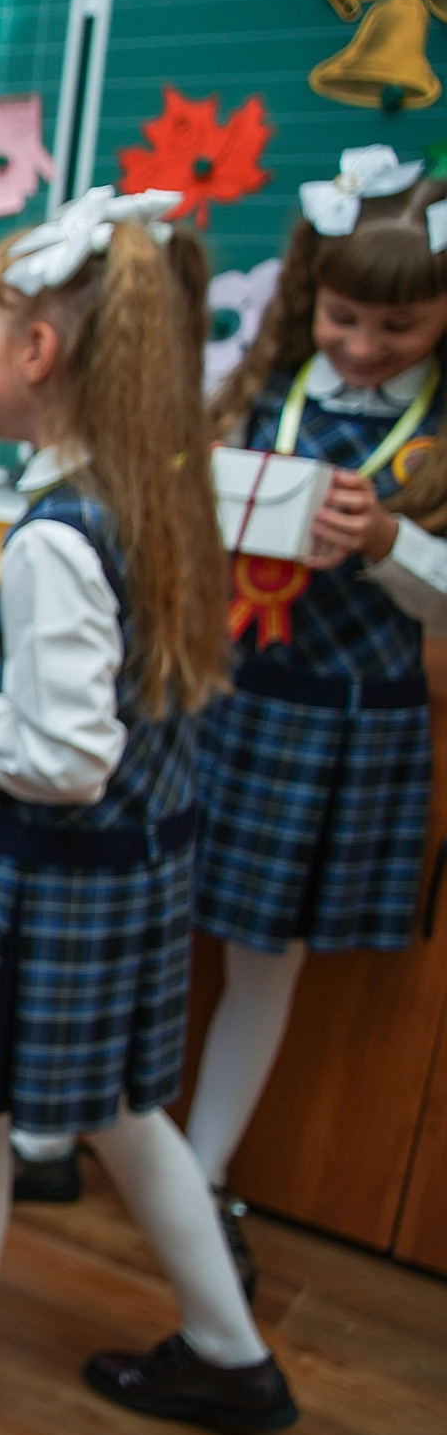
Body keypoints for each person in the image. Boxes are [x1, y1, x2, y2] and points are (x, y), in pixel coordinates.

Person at [0, 190, 298, 1432]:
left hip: (46, 873)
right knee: (96, 1104)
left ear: (37, 354)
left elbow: (62, 754)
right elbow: (95, 698)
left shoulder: (55, 532)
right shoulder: (150, 487)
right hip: (132, 866)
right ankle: (222, 1348)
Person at [187, 147, 447, 1281]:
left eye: (397, 327)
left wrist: (391, 545)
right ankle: (65, 1132)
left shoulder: (429, 434)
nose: (363, 346)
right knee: (153, 917)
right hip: (230, 695)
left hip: (347, 719)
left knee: (265, 956)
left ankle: (199, 1176)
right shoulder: (260, 394)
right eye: (344, 318)